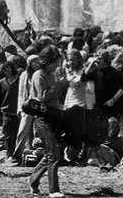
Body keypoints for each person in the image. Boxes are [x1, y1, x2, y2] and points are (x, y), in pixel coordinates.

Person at [29, 45, 70, 198]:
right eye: (54, 62)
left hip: (53, 117)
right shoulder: (39, 75)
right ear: (47, 61)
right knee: (53, 153)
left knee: (52, 153)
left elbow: (53, 98)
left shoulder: (51, 75)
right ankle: (54, 190)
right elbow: (43, 97)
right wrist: (59, 85)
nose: (57, 66)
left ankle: (33, 180)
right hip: (42, 118)